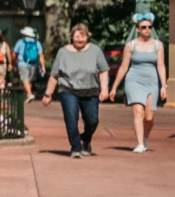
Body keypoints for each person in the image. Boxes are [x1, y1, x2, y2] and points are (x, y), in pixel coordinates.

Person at [44, 22, 109, 158]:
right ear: (71, 37)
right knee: (71, 118)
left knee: (92, 120)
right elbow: (54, 75)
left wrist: (104, 89)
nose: (80, 39)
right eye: (77, 36)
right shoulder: (63, 52)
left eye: (83, 36)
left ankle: (86, 139)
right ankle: (76, 147)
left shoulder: (95, 51)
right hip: (69, 89)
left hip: (90, 90)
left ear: (88, 36)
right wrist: (48, 94)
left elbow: (103, 71)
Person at [107, 12, 163, 153]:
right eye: (143, 27)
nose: (147, 29)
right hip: (134, 80)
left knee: (149, 118)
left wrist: (164, 86)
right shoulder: (130, 46)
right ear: (137, 29)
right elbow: (124, 67)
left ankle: (145, 137)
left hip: (151, 81)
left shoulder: (158, 45)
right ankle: (139, 144)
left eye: (149, 27)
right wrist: (114, 88)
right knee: (138, 112)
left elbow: (161, 66)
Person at [13, 26, 44, 101]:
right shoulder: (37, 42)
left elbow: (14, 53)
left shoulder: (20, 42)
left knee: (25, 79)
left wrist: (12, 62)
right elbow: (41, 55)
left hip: (23, 63)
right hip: (34, 63)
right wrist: (43, 66)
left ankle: (29, 94)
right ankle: (27, 95)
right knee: (30, 80)